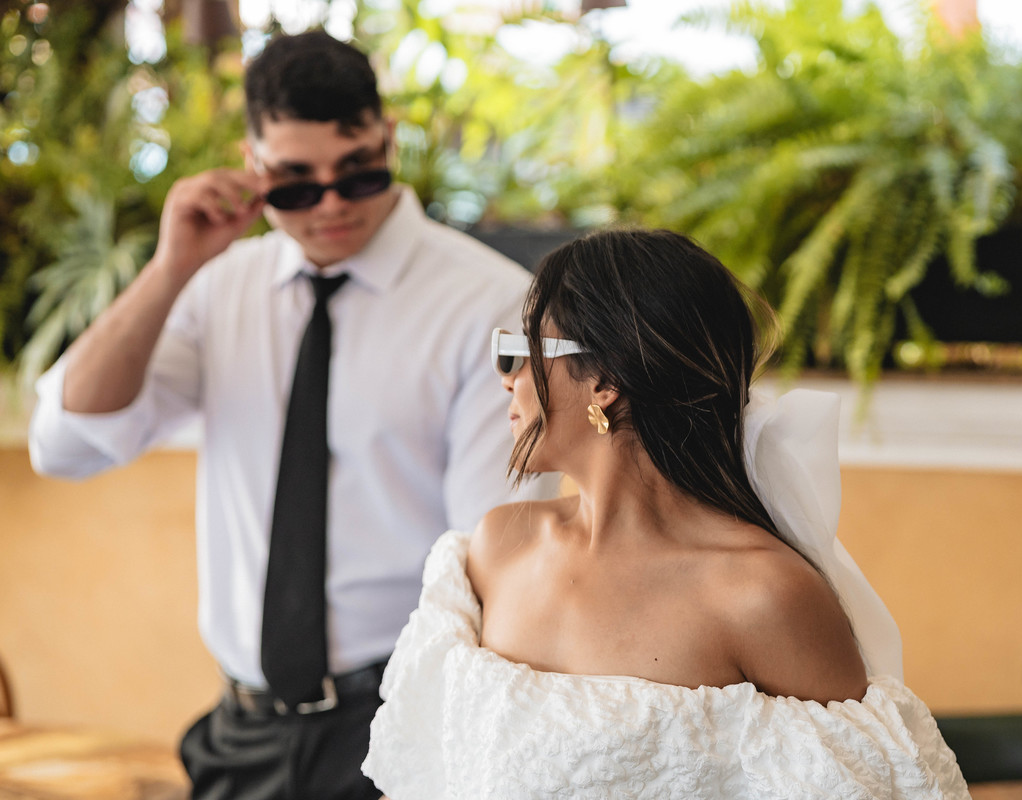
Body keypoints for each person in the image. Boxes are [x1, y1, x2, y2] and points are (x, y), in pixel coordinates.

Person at [28, 30, 547, 800]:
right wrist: (172, 269)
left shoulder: (490, 304)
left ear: (388, 139)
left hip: (400, 717)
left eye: (358, 172)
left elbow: (495, 551)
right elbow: (64, 444)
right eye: (297, 184)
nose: (331, 204)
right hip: (242, 727)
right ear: (252, 165)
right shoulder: (215, 288)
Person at [362, 228, 970, 798]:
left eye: (523, 352)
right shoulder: (497, 548)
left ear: (604, 380)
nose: (508, 379)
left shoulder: (761, 594)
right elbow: (425, 772)